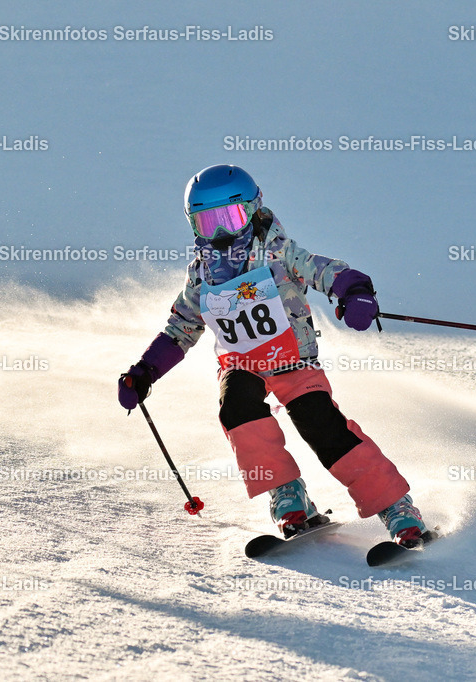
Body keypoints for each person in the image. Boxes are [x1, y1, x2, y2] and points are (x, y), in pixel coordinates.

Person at [118, 164, 427, 546]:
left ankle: (395, 506)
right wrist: (145, 371)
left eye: (229, 218)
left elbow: (324, 270)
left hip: (292, 359)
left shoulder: (279, 253)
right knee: (236, 408)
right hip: (242, 361)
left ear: (252, 210)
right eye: (206, 223)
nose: (220, 234)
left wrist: (354, 291)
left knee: (319, 423)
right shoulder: (201, 276)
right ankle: (287, 494)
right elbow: (181, 327)